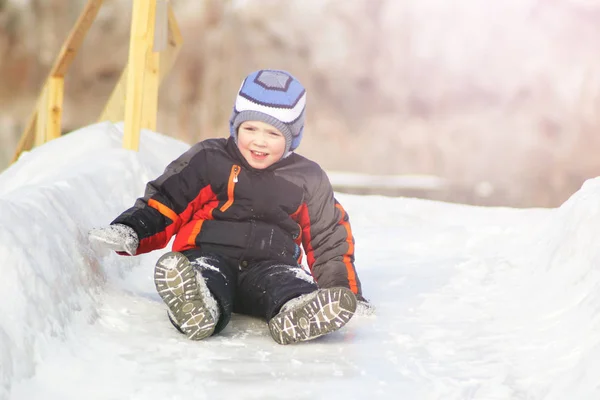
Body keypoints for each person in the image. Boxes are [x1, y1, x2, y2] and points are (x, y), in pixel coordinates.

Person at [89, 69, 367, 345]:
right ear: (235, 125)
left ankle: (300, 311)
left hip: (271, 266)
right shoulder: (211, 159)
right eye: (250, 128)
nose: (259, 140)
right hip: (208, 254)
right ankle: (197, 306)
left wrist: (345, 292)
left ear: (293, 136)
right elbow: (167, 200)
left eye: (273, 133)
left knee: (290, 283)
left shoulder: (307, 178)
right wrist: (132, 228)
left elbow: (328, 238)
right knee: (204, 274)